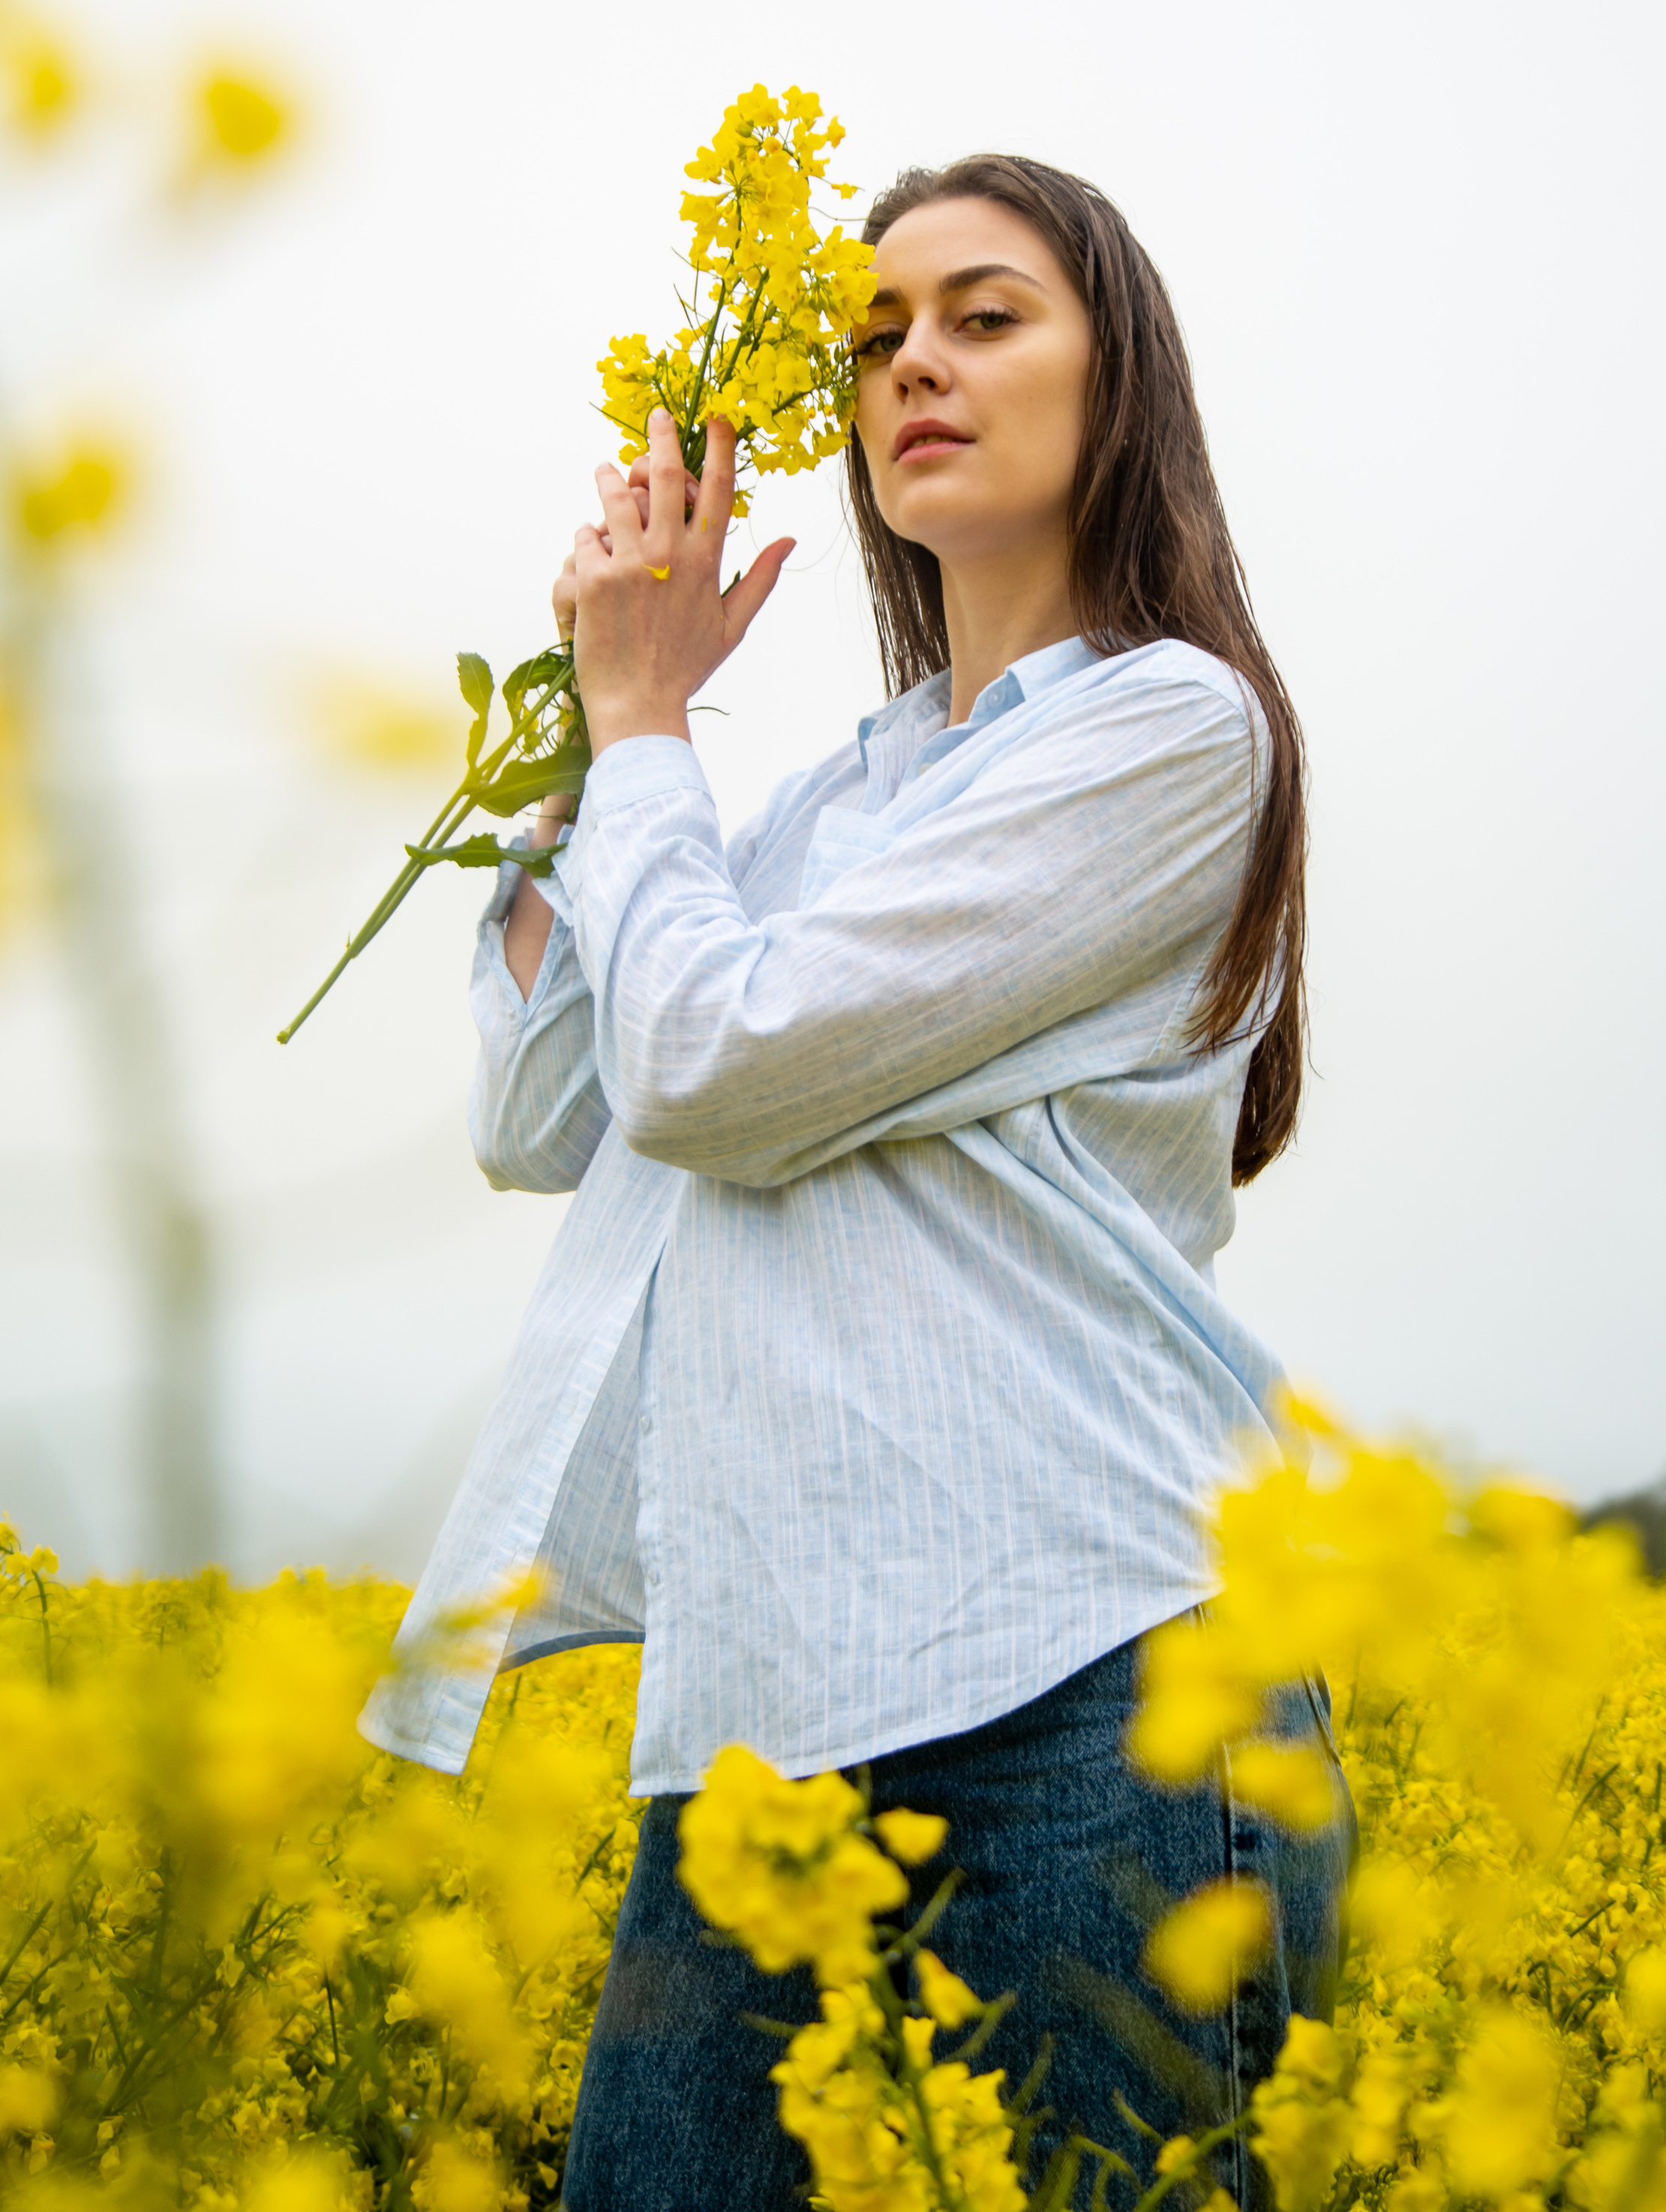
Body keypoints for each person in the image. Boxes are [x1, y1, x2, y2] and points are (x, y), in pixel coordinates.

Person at [362, 154, 1352, 2209]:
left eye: (986, 317)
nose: (917, 361)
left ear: (1121, 378)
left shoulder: (1172, 731)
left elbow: (717, 1066)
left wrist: (647, 735)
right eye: (878, 334)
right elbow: (547, 1108)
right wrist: (583, 732)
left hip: (1094, 1685)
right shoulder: (840, 794)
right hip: (772, 1700)